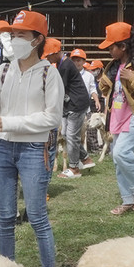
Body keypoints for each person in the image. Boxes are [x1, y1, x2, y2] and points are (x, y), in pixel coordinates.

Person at [0, 10, 63, 267]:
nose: (14, 40)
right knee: (4, 218)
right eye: (13, 35)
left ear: (37, 40)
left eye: (21, 35)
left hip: (33, 150)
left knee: (37, 217)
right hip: (1, 149)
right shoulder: (4, 71)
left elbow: (52, 118)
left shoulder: (50, 74)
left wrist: (10, 124)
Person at [97, 21, 134, 214]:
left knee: (121, 153)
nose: (109, 51)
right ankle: (127, 200)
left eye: (111, 47)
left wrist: (133, 79)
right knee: (117, 158)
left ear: (122, 47)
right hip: (117, 117)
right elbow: (107, 87)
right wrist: (103, 85)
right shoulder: (112, 66)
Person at [46, 38, 92, 179]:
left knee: (71, 135)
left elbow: (59, 88)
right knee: (66, 134)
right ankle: (85, 158)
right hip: (71, 103)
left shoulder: (65, 66)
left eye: (48, 55)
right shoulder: (62, 64)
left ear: (55, 53)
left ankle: (74, 168)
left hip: (76, 104)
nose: (47, 58)